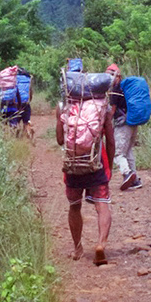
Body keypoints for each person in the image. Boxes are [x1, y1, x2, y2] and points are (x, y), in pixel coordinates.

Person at [57, 76, 117, 264]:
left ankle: (77, 248)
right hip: (97, 163)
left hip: (73, 164)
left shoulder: (65, 107)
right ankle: (101, 244)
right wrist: (111, 164)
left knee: (75, 206)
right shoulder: (103, 108)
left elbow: (60, 140)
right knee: (102, 205)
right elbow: (111, 140)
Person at [105, 63, 142, 191]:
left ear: (117, 76)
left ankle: (127, 173)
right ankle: (135, 179)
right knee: (128, 151)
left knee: (118, 153)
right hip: (132, 122)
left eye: (110, 75)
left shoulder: (115, 90)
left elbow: (112, 112)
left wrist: (106, 121)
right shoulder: (125, 88)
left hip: (122, 125)